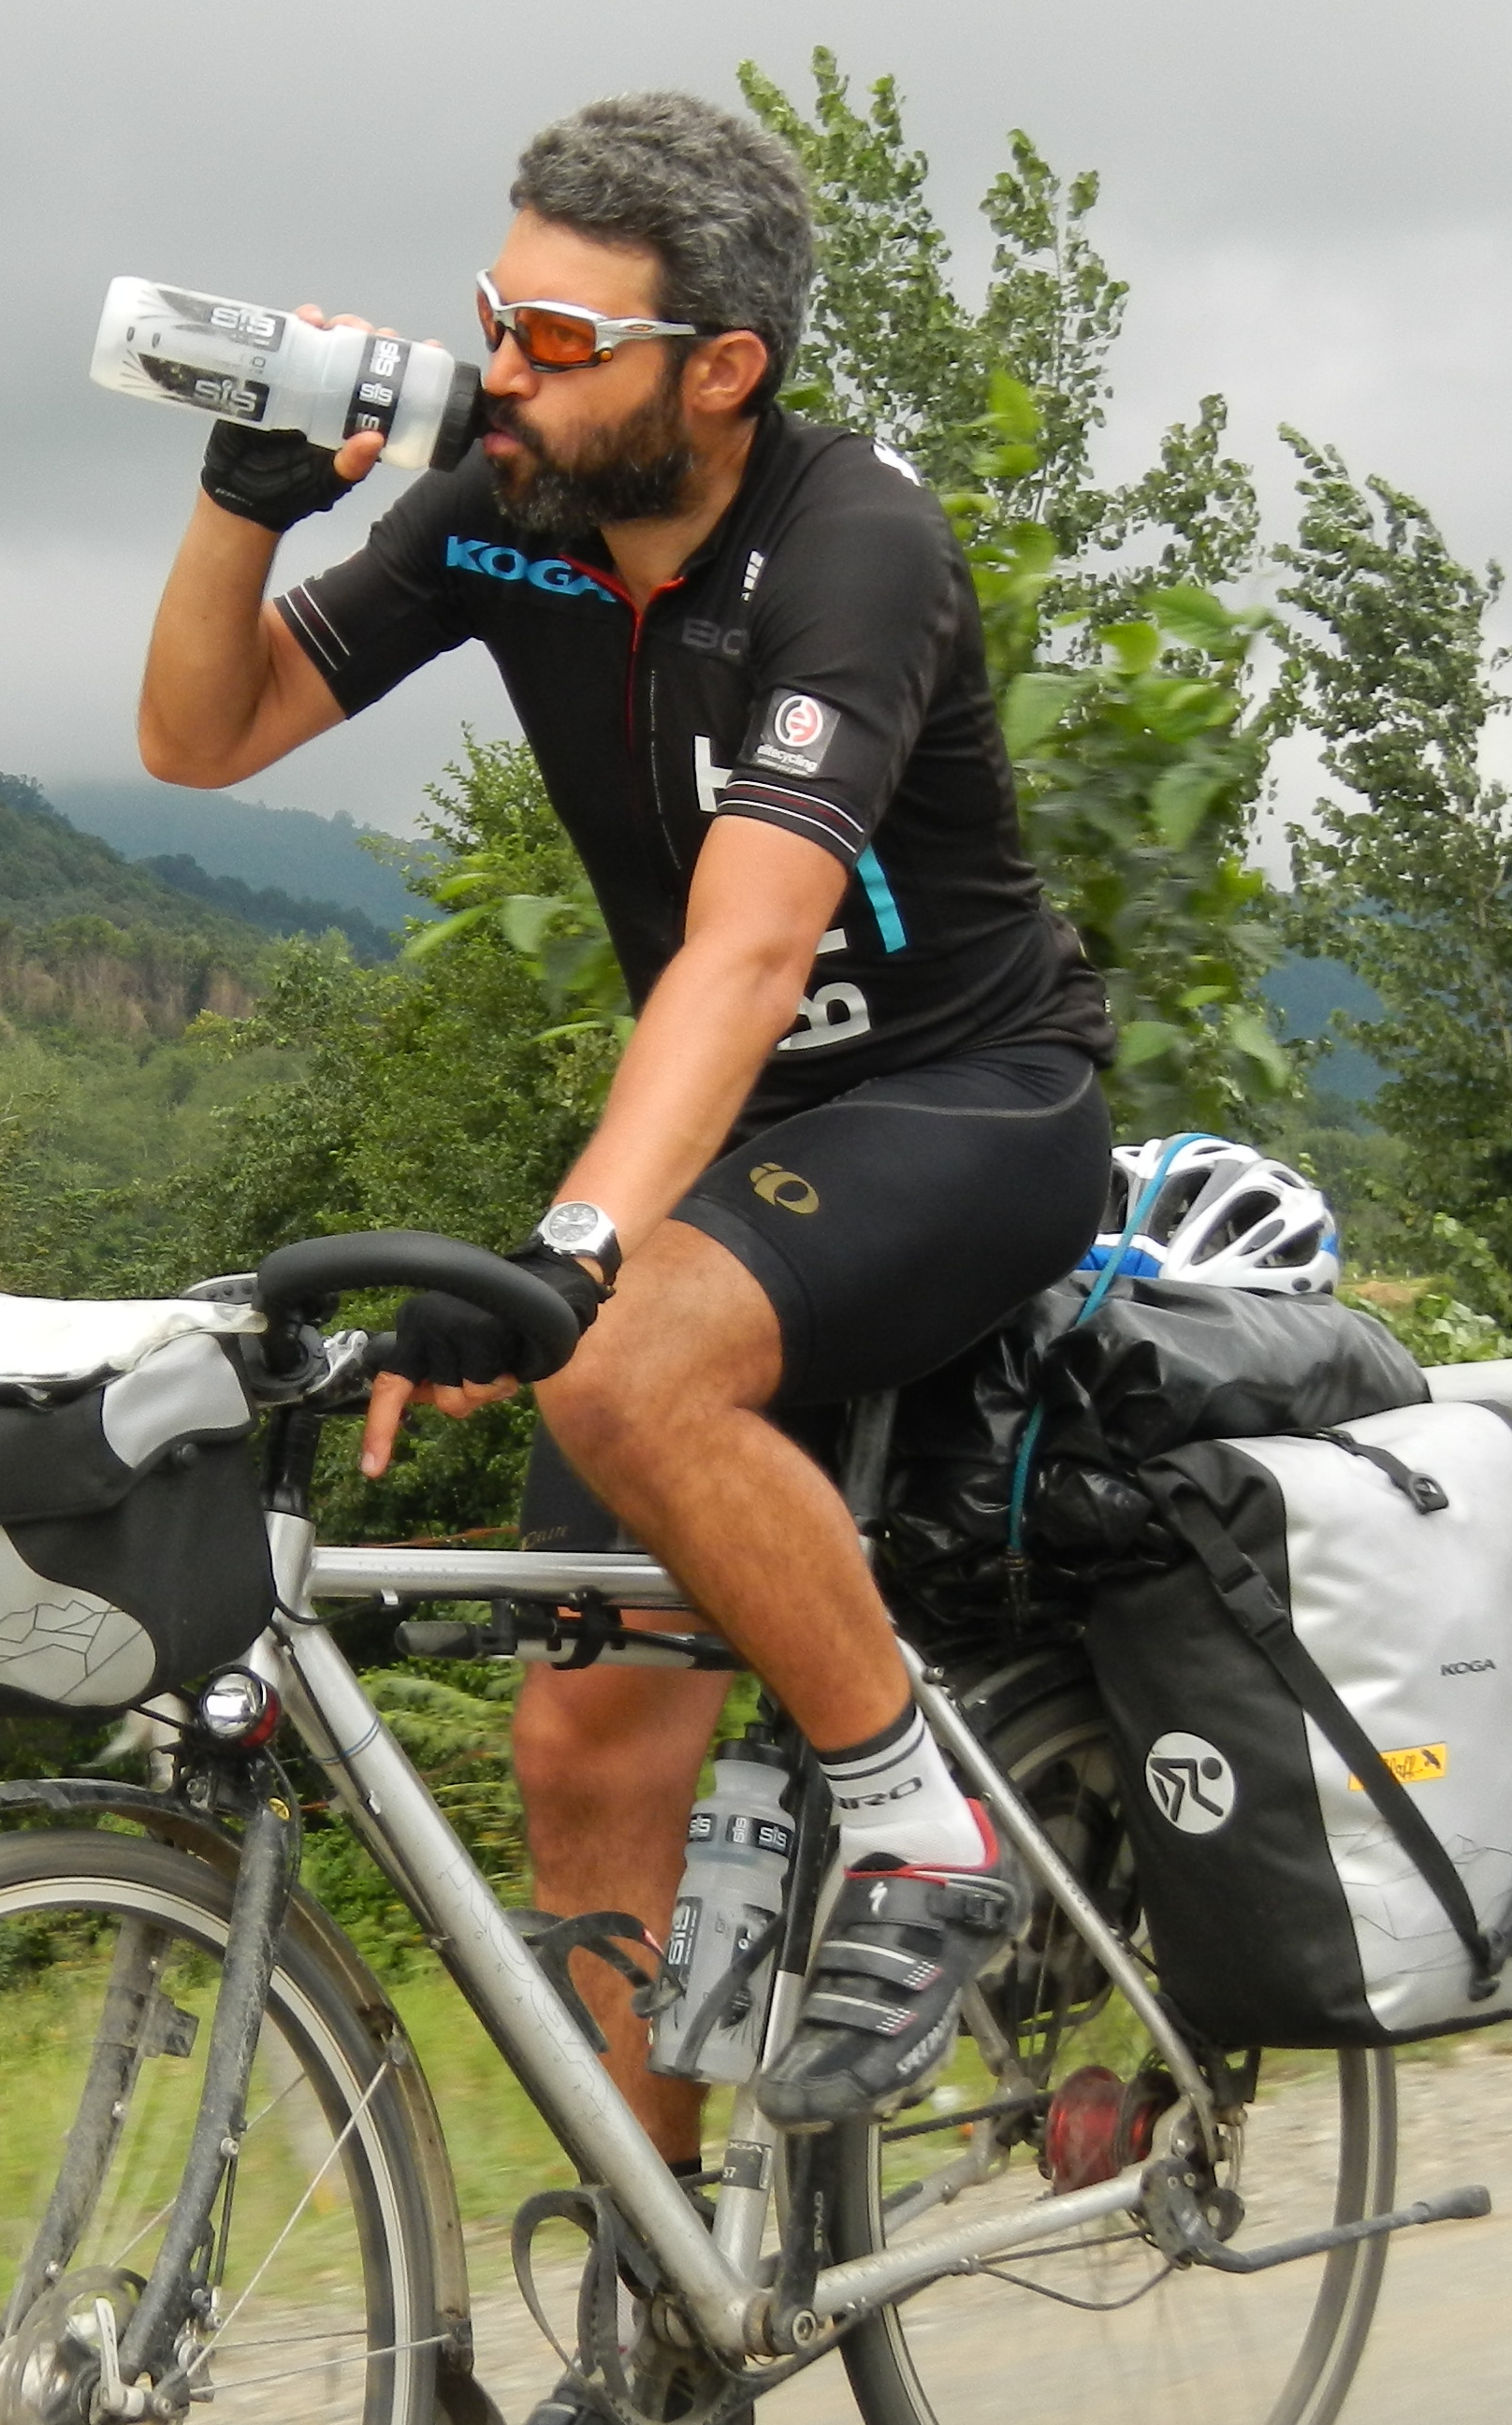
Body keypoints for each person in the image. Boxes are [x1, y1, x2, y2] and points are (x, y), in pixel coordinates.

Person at [134, 94, 1115, 2151]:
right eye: (500, 316)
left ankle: (915, 1825)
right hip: (727, 1147)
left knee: (624, 1356)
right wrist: (245, 505)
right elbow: (201, 738)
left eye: (561, 344)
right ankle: (667, 2297)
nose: (499, 369)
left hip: (963, 1102)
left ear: (725, 369)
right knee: (585, 1745)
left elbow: (753, 956)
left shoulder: (858, 546)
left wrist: (569, 1259)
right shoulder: (508, 509)